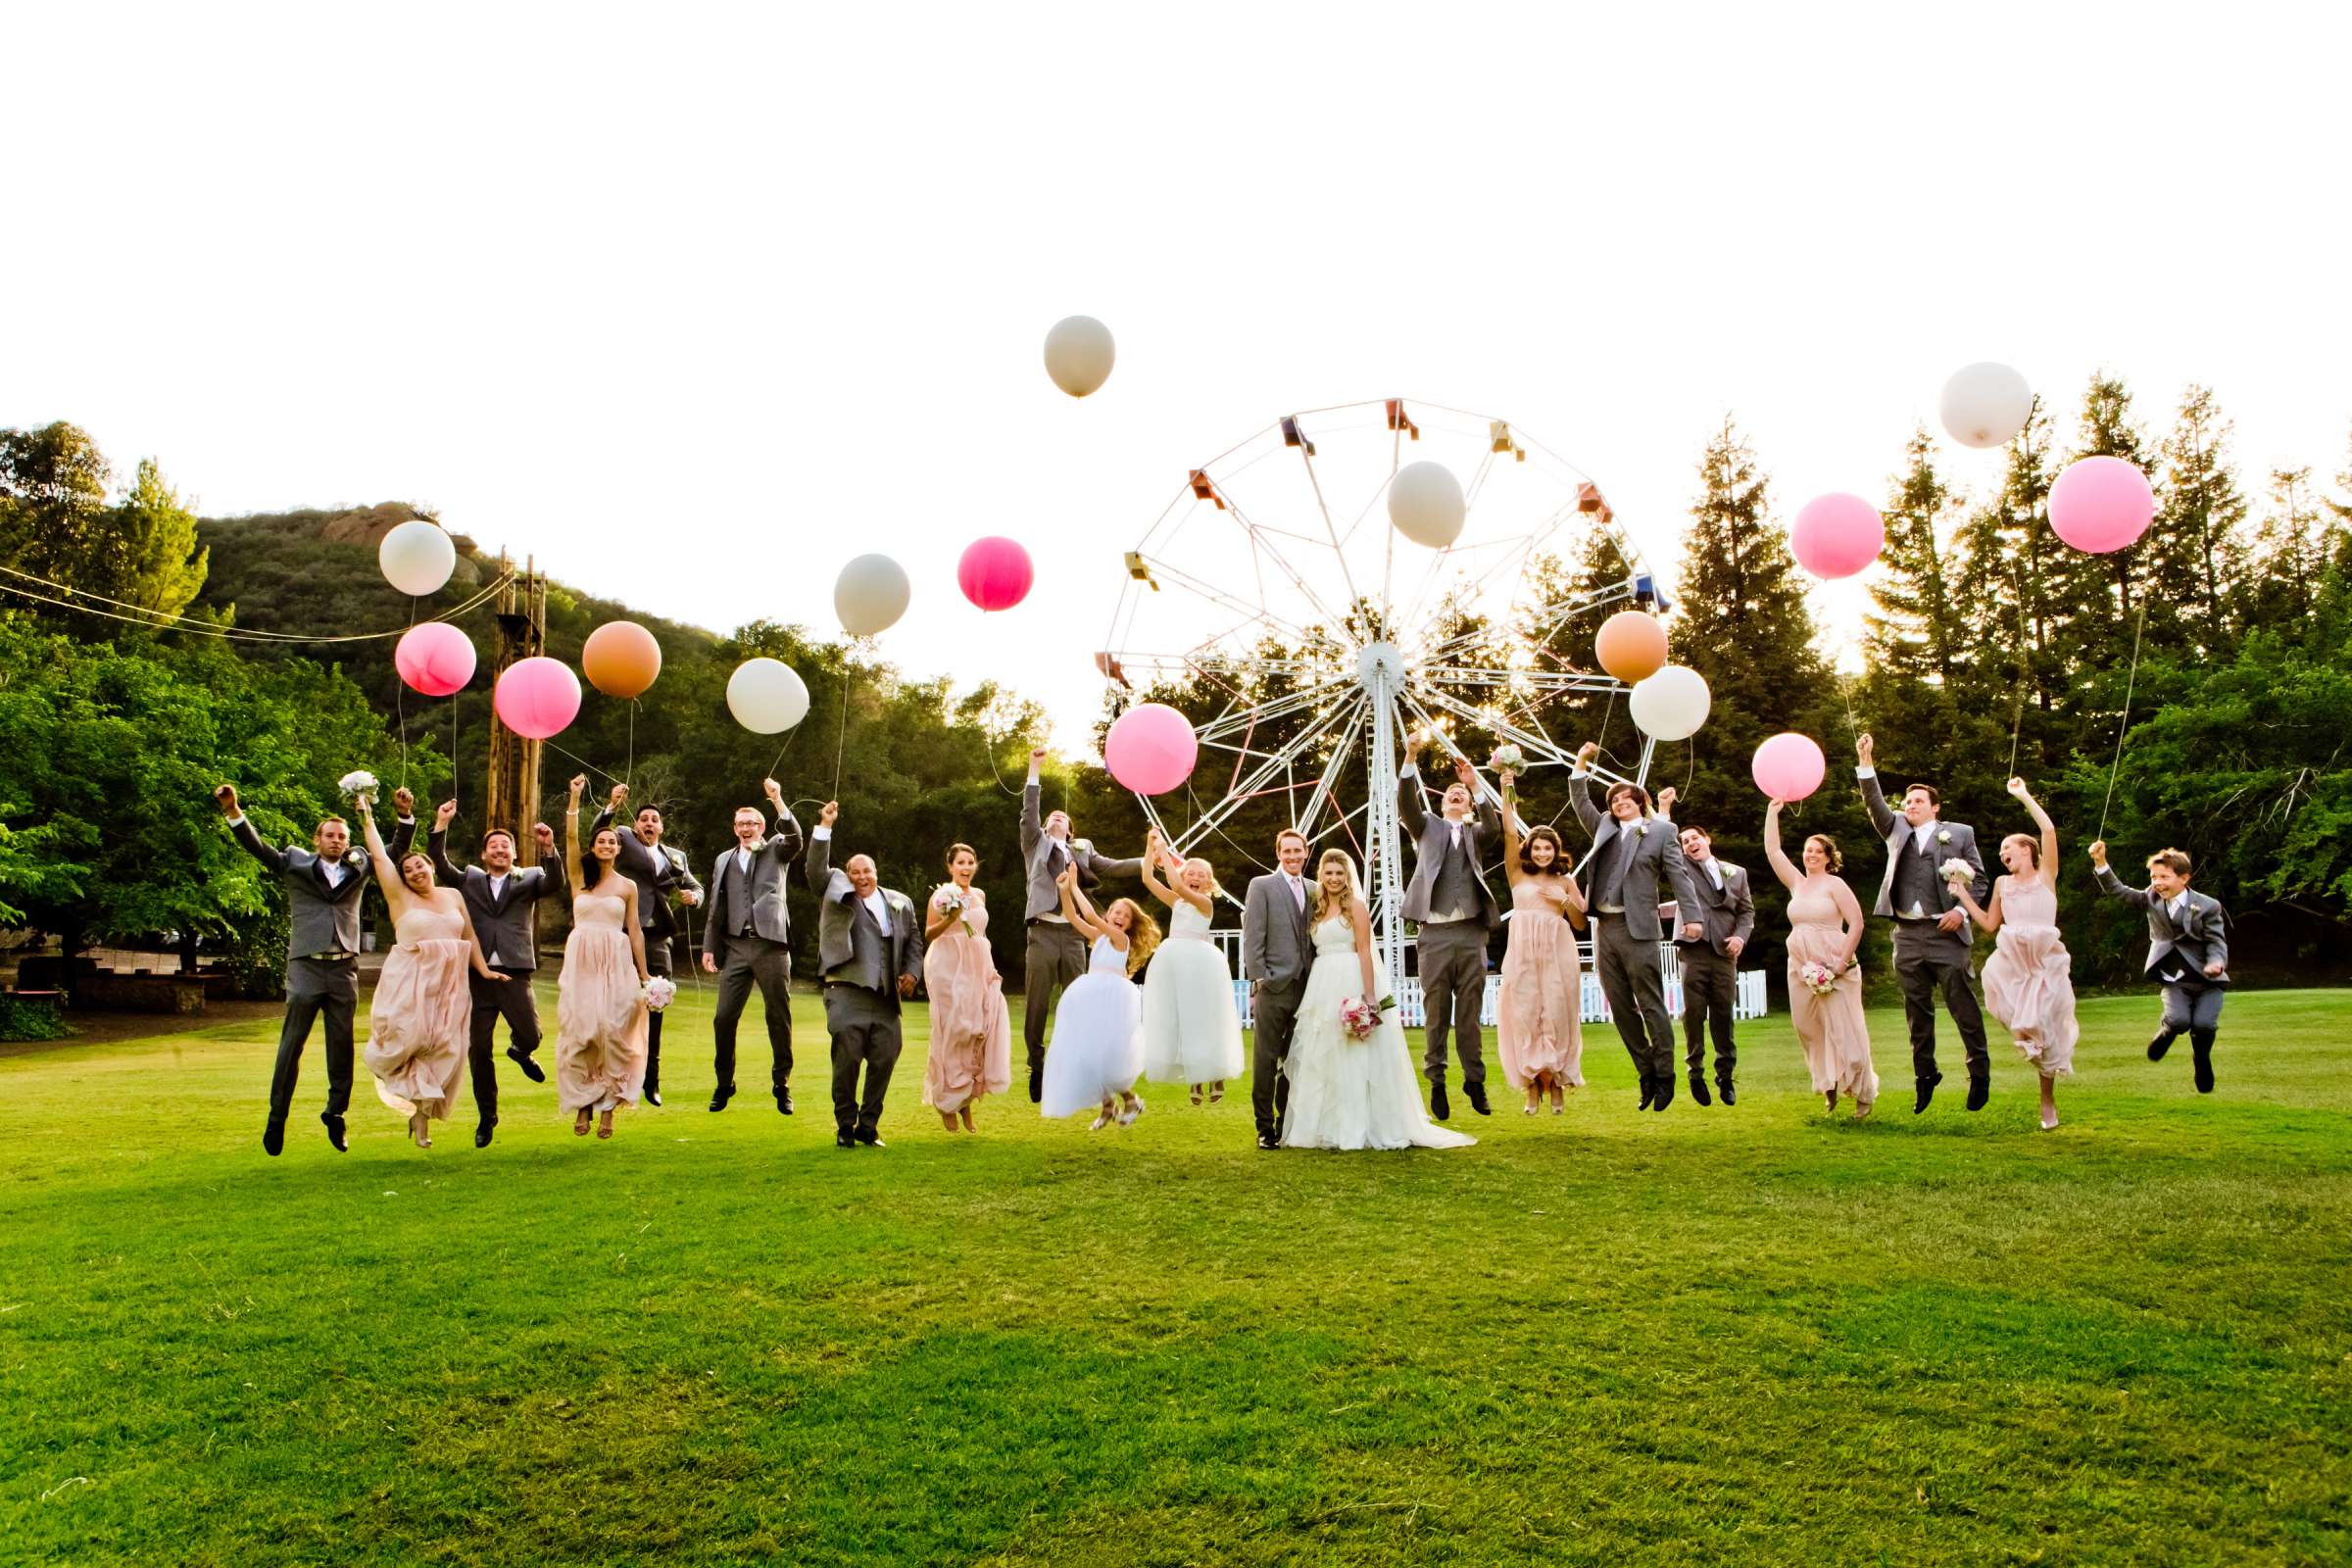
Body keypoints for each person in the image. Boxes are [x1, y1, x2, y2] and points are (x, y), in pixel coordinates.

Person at [217, 780, 416, 1156]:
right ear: (317, 839)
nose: (338, 841)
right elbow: (259, 849)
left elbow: (393, 852)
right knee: (291, 1045)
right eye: (330, 835)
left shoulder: (360, 864)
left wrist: (404, 817)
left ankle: (336, 1114)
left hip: (344, 969)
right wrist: (232, 811)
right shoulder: (295, 863)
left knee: (341, 1049)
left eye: (342, 835)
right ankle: (277, 1119)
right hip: (307, 966)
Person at [1282, 850, 1477, 1152]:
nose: (1334, 879)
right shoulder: (1316, 909)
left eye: (1339, 873)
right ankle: (1323, 1126)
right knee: (1323, 1052)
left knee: (1354, 1053)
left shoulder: (1356, 908)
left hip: (1349, 977)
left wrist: (1369, 996)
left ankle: (1358, 1123)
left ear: (1347, 877)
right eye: (1329, 873)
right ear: (1321, 876)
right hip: (1321, 981)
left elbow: (1364, 951)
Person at [1853, 733, 1991, 1114]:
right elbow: (1873, 802)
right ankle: (1925, 1076)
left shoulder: (1959, 834)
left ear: (1935, 807)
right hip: (1908, 935)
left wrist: (1961, 912)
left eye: (1917, 801)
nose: (1909, 805)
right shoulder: (1895, 828)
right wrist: (1866, 761)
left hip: (1946, 933)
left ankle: (1979, 1073)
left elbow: (1979, 879)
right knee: (1916, 1012)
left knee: (1963, 1007)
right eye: (1907, 801)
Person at [1570, 742, 1703, 1110]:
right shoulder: (1603, 829)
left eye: (1627, 798)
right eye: (1614, 800)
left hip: (1639, 927)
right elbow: (1580, 799)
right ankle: (1645, 1071)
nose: (1620, 803)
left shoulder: (1661, 832)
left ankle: (1665, 1074)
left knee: (1650, 1003)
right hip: (1605, 927)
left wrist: (1692, 917)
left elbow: (1679, 877)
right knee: (1619, 1006)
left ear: (1640, 802)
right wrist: (1580, 762)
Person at [427, 804, 560, 1148]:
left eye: (506, 846)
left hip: (515, 969)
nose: (500, 850)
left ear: (515, 853)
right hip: (477, 974)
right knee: (478, 1048)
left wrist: (548, 849)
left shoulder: (529, 878)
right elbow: (439, 865)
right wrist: (442, 822)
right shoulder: (470, 879)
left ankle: (520, 1051)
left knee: (531, 1034)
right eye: (494, 846)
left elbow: (556, 883)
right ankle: (487, 1115)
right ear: (484, 854)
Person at [1952, 778, 2078, 1131]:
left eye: (2010, 848)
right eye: (2002, 851)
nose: (2004, 853)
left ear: (2028, 850)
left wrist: (2022, 795)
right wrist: (1962, 895)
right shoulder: (2002, 884)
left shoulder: (2046, 875)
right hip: (2012, 963)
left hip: (2045, 960)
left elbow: (2048, 828)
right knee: (2025, 1025)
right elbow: (1990, 924)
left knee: (2047, 1032)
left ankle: (2047, 1099)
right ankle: (2030, 1043)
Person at [1020, 747, 1143, 1102]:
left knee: (1078, 1003)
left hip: (1073, 935)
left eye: (1064, 817)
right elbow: (1029, 814)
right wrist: (1034, 769)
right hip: (1042, 932)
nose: (1058, 816)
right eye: (1053, 815)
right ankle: (1036, 1064)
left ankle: (1075, 1064)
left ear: (1072, 830)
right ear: (1046, 826)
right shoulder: (1035, 843)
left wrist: (1155, 860)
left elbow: (1116, 866)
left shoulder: (1082, 851)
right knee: (1038, 1004)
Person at [808, 801, 925, 1150]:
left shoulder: (899, 901)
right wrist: (825, 827)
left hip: (887, 998)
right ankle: (845, 1124)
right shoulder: (834, 890)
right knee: (846, 1062)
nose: (862, 877)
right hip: (846, 991)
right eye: (855, 872)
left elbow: (914, 941)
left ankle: (868, 1126)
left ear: (876, 871)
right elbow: (815, 869)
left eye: (867, 871)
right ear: (847, 874)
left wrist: (912, 973)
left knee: (885, 1059)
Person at [1396, 749, 1504, 1119]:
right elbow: (1406, 803)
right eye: (1449, 793)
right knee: (1436, 1013)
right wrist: (1410, 758)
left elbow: (1496, 827)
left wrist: (1476, 783)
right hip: (1435, 934)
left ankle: (1475, 1080)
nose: (1455, 794)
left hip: (1471, 933)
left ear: (1470, 804)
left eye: (1461, 793)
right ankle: (1437, 1081)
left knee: (1470, 1015)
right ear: (1441, 805)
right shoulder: (1427, 826)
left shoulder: (1478, 833)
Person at [591, 784, 704, 1107]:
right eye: (644, 819)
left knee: (657, 1005)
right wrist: (612, 805)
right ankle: (612, 1076)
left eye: (654, 819)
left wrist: (693, 897)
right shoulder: (624, 840)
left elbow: (696, 886)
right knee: (617, 1007)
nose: (649, 823)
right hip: (624, 934)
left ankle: (651, 1079)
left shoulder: (675, 856)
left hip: (657, 938)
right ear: (636, 824)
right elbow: (599, 833)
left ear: (662, 826)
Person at [1764, 799, 1877, 1118]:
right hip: (1800, 965)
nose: (1810, 854)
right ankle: (1828, 1086)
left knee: (1845, 1027)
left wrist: (1841, 963)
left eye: (1817, 851)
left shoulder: (1835, 884)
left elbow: (1856, 923)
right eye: (1807, 850)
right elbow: (1773, 851)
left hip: (1833, 962)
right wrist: (1773, 812)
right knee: (1808, 1027)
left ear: (1828, 858)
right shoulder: (1797, 884)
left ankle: (1863, 1093)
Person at [2090, 839, 2230, 1094]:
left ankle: (2201, 1060)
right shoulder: (2151, 898)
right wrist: (2101, 862)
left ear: (2184, 878)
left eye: (2164, 877)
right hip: (2173, 977)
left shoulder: (2208, 906)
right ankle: (2166, 1033)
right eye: (2154, 877)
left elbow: (2216, 940)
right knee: (2178, 1021)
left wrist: (2216, 962)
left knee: (2203, 1025)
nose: (2157, 883)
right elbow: (2119, 891)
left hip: (2207, 980)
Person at [700, 777, 804, 1114]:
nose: (746, 828)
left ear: (761, 827)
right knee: (723, 1018)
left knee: (779, 1014)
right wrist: (709, 947)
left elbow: (796, 838)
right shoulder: (722, 859)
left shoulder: (775, 848)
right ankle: (724, 1081)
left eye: (752, 823)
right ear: (734, 828)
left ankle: (781, 1083)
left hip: (771, 945)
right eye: (741, 823)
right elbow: (716, 905)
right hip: (735, 947)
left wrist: (777, 799)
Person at [556, 776, 651, 1139]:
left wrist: (645, 977)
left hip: (616, 962)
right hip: (581, 964)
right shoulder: (579, 877)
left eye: (612, 841)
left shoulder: (628, 887)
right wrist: (575, 798)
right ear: (594, 847)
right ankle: (583, 1104)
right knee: (583, 1031)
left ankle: (609, 1108)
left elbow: (636, 931)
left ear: (618, 848)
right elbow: (569, 839)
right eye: (601, 841)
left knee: (613, 1032)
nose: (607, 845)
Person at [1036, 865, 1158, 1130]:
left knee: (1107, 1054)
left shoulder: (1119, 939)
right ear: (1109, 913)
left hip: (1113, 999)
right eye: (1115, 912)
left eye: (1125, 916)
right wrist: (1064, 890)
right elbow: (1072, 915)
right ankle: (1107, 1106)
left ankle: (1131, 1100)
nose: (1119, 917)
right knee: (1088, 1051)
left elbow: (1089, 914)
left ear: (1129, 923)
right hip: (1091, 996)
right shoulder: (1099, 937)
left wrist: (1076, 884)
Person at [1495, 766, 1586, 1114]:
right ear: (1529, 850)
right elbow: (1507, 832)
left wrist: (1564, 902)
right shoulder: (1517, 874)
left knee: (1557, 1014)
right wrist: (1507, 789)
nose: (1542, 853)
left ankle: (1558, 1081)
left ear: (1555, 851)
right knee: (1525, 1013)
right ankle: (1533, 1086)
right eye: (1537, 848)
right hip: (1522, 951)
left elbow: (1579, 923)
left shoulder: (1566, 881)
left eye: (1548, 848)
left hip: (1557, 950)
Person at [1137, 827, 1246, 1105]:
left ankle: (1216, 1073)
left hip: (1201, 963)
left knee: (1206, 1016)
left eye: (1201, 875)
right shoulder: (1178, 902)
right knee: (1185, 1018)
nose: (1195, 877)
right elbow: (1148, 878)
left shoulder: (1204, 903)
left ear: (1208, 883)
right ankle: (1196, 1077)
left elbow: (1176, 885)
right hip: (1175, 961)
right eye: (1191, 872)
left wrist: (1164, 849)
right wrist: (1151, 847)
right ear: (1184, 874)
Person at [921, 842, 1013, 1132]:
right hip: (947, 967)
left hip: (977, 966)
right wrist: (950, 916)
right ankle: (945, 1102)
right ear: (950, 866)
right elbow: (928, 934)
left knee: (977, 1032)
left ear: (976, 866)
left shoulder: (980, 895)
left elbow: (980, 933)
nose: (966, 868)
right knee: (952, 1033)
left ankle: (966, 1102)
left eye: (970, 862)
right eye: (960, 863)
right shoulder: (941, 895)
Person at [1664, 816, 1755, 1107]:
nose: (1690, 844)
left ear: (1708, 840)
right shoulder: (1682, 868)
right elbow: (1666, 843)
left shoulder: (1736, 873)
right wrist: (1664, 809)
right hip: (1694, 948)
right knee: (1693, 1014)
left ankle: (1725, 1076)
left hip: (1725, 953)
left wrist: (1740, 938)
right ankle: (1695, 1073)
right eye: (1685, 841)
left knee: (1723, 1014)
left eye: (1695, 838)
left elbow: (1746, 912)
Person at [1239, 828, 1314, 1150]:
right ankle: (1264, 1126)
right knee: (1266, 1059)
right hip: (1274, 985)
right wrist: (1260, 978)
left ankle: (1287, 1121)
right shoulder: (1262, 886)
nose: (1293, 856)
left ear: (1306, 852)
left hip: (1307, 986)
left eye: (1298, 851)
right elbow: (1252, 935)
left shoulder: (1316, 888)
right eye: (1288, 851)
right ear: (1278, 853)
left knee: (1295, 1061)